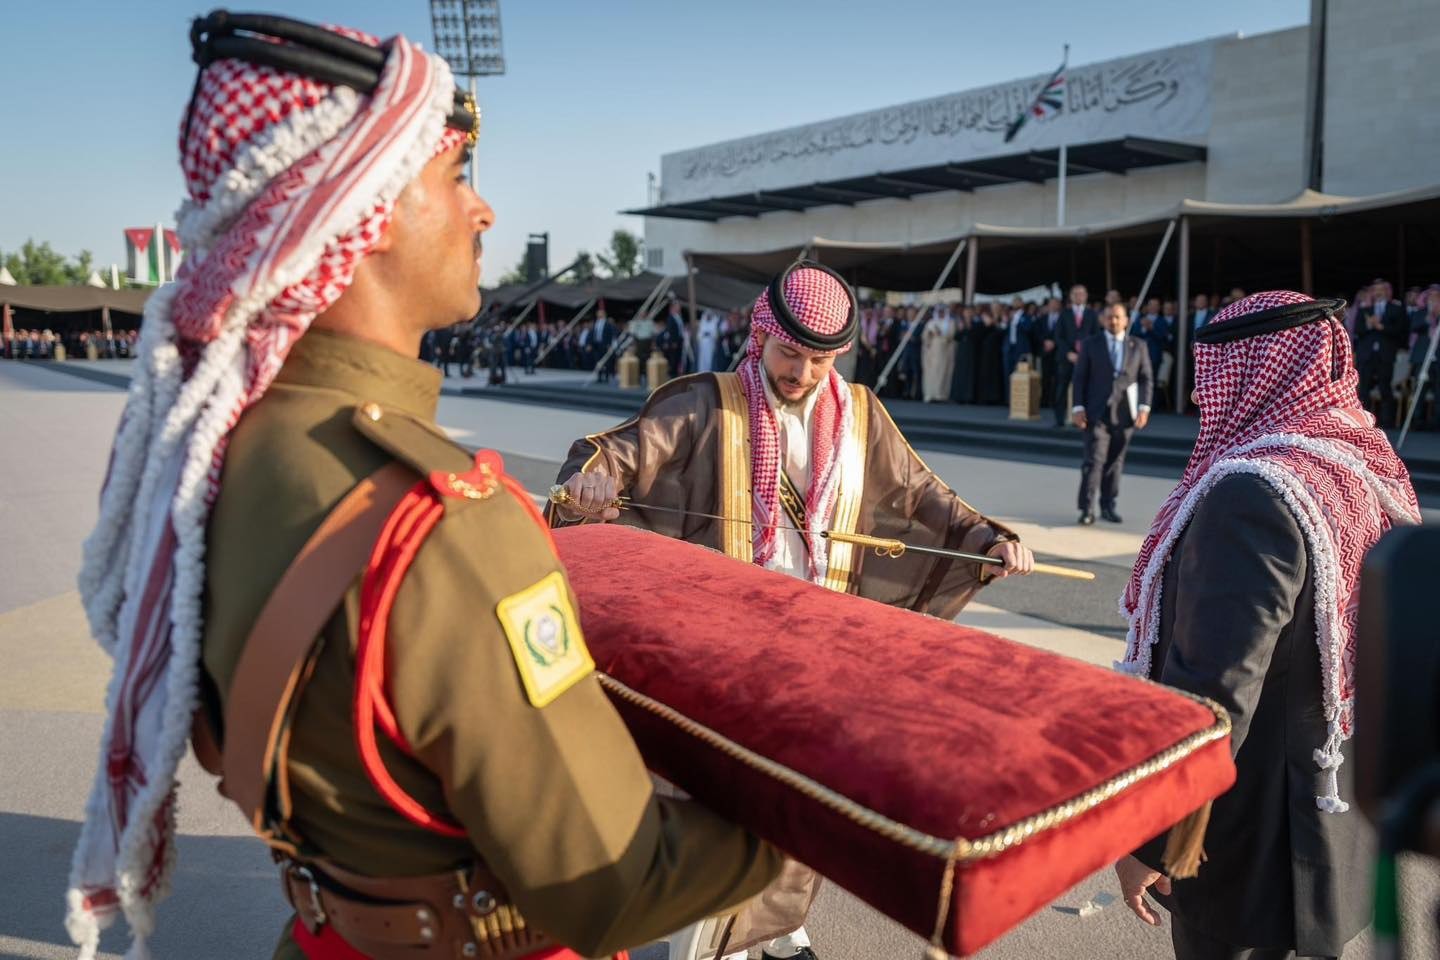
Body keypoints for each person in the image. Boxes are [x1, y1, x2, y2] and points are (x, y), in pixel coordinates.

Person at [66, 12, 781, 960]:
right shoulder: (442, 523)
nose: (483, 212)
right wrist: (802, 818)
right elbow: (615, 886)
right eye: (454, 178)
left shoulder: (217, 458)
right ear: (358, 216)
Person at [551, 260, 1034, 960]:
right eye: (789, 353)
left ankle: (776, 931)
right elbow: (620, 455)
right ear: (761, 335)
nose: (801, 373)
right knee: (723, 803)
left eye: (818, 359)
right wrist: (591, 480)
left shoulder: (863, 414)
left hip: (818, 646)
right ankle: (726, 940)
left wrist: (989, 538)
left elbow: (925, 496)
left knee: (800, 798)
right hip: (721, 647)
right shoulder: (705, 402)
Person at [1113, 291, 1420, 960]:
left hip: (1256, 853)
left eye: (1212, 372)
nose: (1201, 396)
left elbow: (1215, 693)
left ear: (1254, 370)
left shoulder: (1252, 494)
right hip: (1333, 826)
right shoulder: (1357, 465)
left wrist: (1155, 839)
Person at [1072, 303, 1152, 524]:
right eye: (1109, 317)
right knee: (1094, 461)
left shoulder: (1138, 346)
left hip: (1125, 414)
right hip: (1095, 413)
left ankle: (1108, 505)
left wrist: (1145, 407)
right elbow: (1079, 377)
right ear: (1103, 320)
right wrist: (1078, 407)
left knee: (1115, 463)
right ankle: (1087, 509)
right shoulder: (1090, 344)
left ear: (1126, 320)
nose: (1113, 321)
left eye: (1117, 317)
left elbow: (1146, 378)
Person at [1355, 278, 1408, 427]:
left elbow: (1401, 331)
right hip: (1367, 354)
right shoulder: (1365, 309)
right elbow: (1358, 330)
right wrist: (1369, 324)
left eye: (1381, 289)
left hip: (1385, 354)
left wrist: (1381, 326)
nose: (1378, 292)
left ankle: (1387, 422)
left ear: (1387, 291)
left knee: (1385, 387)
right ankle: (1362, 422)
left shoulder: (1396, 308)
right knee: (1363, 388)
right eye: (1375, 289)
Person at [1053, 284, 1099, 426]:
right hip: (1067, 358)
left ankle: (1084, 419)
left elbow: (1096, 336)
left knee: (1086, 388)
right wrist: (1068, 353)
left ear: (1086, 296)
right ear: (1071, 296)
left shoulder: (1092, 314)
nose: (1079, 296)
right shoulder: (1064, 314)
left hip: (1086, 358)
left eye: (1082, 293)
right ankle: (1059, 420)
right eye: (1076, 293)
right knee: (1062, 388)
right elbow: (1058, 336)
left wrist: (1085, 354)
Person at [921, 302, 956, 402]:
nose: (941, 313)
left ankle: (941, 395)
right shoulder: (931, 322)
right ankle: (930, 394)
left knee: (943, 374)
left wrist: (940, 334)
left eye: (942, 311)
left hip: (945, 354)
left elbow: (951, 336)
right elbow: (924, 337)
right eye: (939, 311)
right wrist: (929, 333)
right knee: (930, 375)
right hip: (931, 354)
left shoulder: (950, 322)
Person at [696, 308, 724, 372]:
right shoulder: (702, 323)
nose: (708, 316)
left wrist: (709, 334)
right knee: (702, 360)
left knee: (709, 360)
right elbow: (699, 335)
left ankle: (708, 372)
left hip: (710, 345)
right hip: (703, 345)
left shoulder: (713, 323)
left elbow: (714, 335)